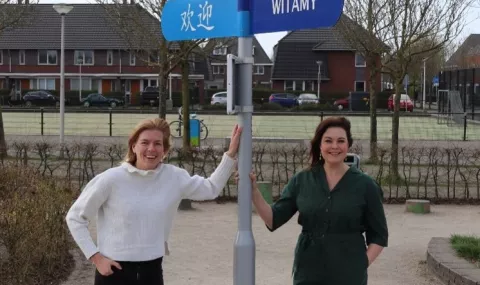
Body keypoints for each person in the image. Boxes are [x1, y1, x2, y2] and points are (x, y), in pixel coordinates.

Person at [66, 118, 242, 285]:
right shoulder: (110, 179)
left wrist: (231, 154)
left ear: (164, 151)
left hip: (152, 272)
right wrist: (95, 258)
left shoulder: (174, 177)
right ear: (133, 146)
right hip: (113, 273)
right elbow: (75, 217)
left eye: (158, 144)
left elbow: (211, 188)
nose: (151, 149)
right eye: (145, 142)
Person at [246, 116, 388, 285]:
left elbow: (379, 235)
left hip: (349, 274)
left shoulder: (366, 185)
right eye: (328, 141)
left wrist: (361, 264)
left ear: (348, 145)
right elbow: (273, 218)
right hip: (308, 271)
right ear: (320, 145)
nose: (334, 146)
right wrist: (254, 191)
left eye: (340, 141)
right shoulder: (302, 180)